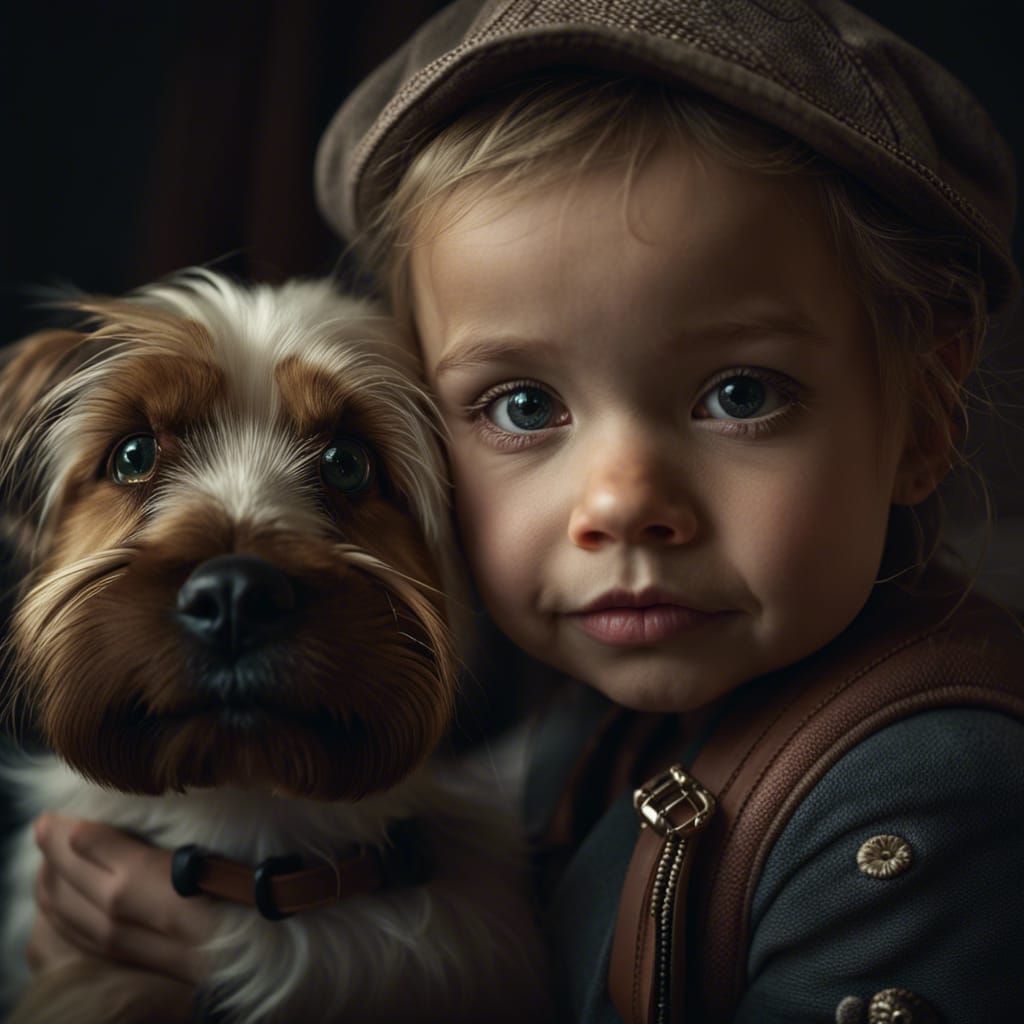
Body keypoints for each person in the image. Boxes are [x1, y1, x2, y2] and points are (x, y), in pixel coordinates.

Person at [22, 2, 1024, 1021]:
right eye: (524, 406)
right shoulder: (592, 709)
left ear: (924, 415)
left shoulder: (929, 796)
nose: (622, 504)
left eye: (740, 394)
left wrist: (246, 975)